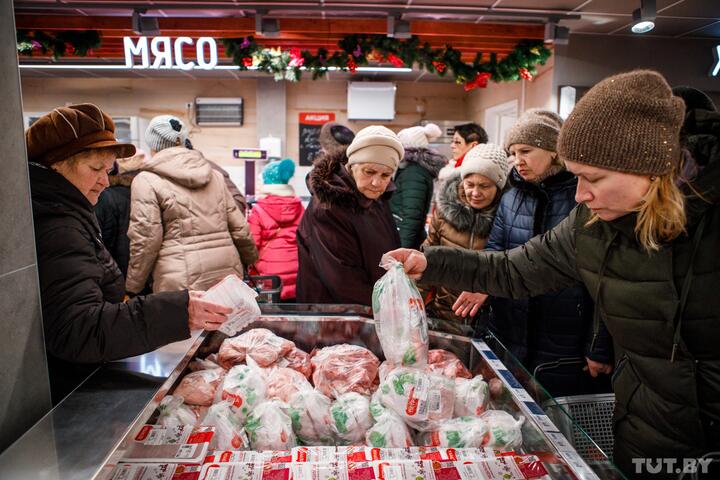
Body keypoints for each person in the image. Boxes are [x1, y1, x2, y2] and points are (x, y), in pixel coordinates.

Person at [386, 70, 720, 478]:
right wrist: (432, 262)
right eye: (576, 176)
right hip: (646, 434)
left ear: (650, 170)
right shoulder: (590, 225)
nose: (580, 194)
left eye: (593, 178)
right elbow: (514, 269)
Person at [26, 104, 232, 404]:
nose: (105, 181)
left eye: (108, 170)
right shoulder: (57, 225)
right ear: (56, 165)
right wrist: (177, 310)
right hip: (69, 390)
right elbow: (78, 329)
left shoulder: (69, 210)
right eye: (96, 169)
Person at [484, 109, 612, 396]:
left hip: (565, 338)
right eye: (513, 152)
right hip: (512, 330)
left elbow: (603, 280)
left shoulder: (582, 199)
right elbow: (494, 252)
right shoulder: (510, 196)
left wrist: (598, 346)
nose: (518, 160)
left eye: (526, 150)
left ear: (554, 150)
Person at [125, 115, 258, 294]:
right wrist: (250, 259)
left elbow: (146, 239)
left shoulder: (146, 180)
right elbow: (240, 228)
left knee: (182, 322)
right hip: (225, 272)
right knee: (223, 321)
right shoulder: (214, 176)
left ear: (153, 144)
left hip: (178, 279)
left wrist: (133, 286)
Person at [296, 125, 403, 305]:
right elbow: (343, 281)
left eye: (385, 175)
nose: (377, 182)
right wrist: (387, 308)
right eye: (369, 172)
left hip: (371, 306)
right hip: (331, 314)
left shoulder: (377, 198)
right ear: (352, 165)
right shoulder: (328, 208)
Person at [419, 143, 507, 330]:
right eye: (470, 184)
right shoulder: (445, 213)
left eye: (485, 186)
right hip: (444, 313)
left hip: (489, 320)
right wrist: (415, 303)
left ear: (499, 187)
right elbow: (427, 257)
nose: (475, 193)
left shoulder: (507, 218)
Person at [248, 158, 305, 301]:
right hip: (297, 272)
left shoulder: (258, 210)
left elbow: (251, 246)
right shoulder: (300, 208)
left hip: (269, 276)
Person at [390, 123, 448, 249]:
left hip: (405, 238)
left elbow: (412, 216)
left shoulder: (413, 173)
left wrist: (401, 250)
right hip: (403, 234)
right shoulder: (412, 169)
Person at [94, 150, 146, 278]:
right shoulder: (148, 191)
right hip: (145, 273)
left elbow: (103, 241)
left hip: (118, 274)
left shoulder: (106, 196)